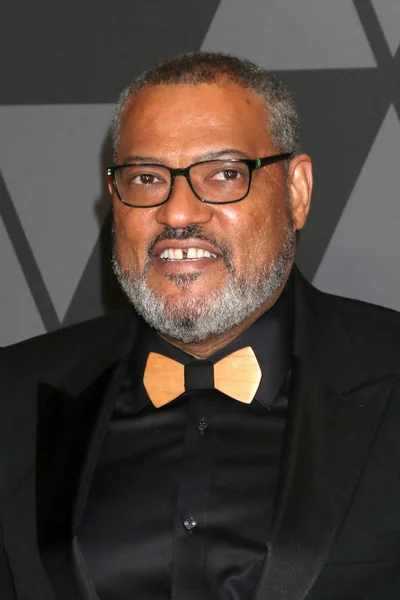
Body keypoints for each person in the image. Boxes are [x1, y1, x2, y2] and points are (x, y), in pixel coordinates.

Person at [0, 52, 399, 600]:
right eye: (146, 178)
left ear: (297, 191)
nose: (179, 212)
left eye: (224, 174)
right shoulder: (12, 398)